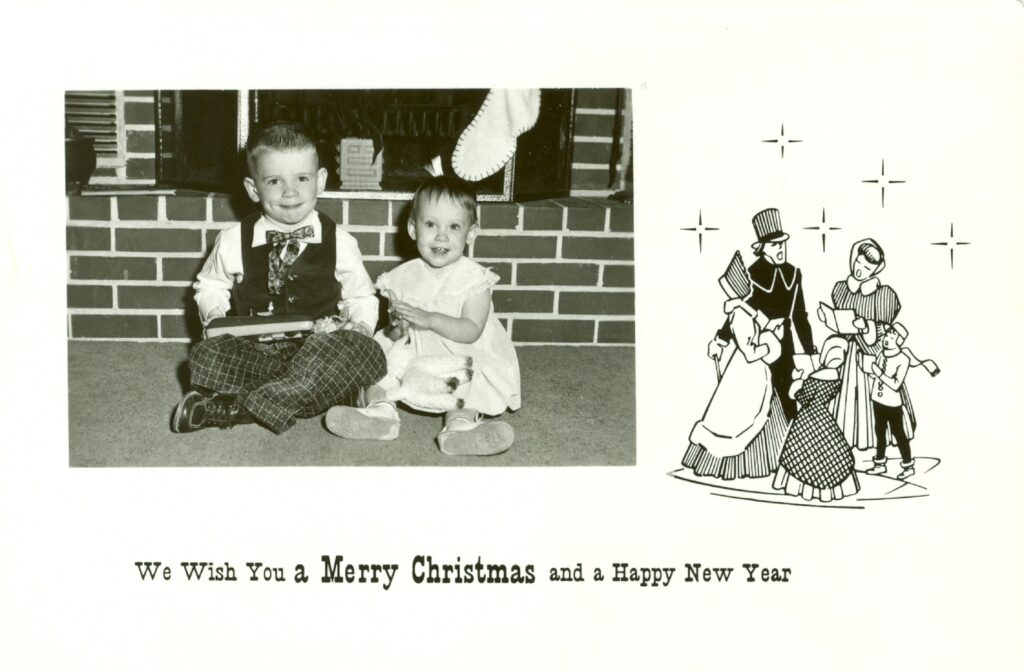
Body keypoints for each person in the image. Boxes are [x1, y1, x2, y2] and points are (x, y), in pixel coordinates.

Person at [171, 122, 387, 434]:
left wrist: (362, 325)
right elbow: (210, 285)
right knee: (205, 356)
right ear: (253, 189)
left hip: (320, 349)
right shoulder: (233, 239)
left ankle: (241, 406)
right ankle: (320, 394)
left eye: (302, 178)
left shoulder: (340, 241)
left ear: (320, 181)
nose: (290, 191)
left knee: (365, 351)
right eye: (274, 181)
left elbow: (361, 296)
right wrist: (215, 317)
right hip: (257, 352)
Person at [325, 177, 521, 456]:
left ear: (471, 233)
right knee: (378, 367)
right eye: (431, 224)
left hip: (457, 351)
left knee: (469, 384)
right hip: (413, 349)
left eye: (454, 227)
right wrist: (398, 326)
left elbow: (471, 330)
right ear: (413, 228)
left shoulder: (475, 280)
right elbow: (396, 331)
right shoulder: (401, 277)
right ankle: (381, 412)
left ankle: (460, 426)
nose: (441, 236)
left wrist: (430, 319)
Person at [683, 251, 789, 479]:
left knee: (752, 415)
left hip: (750, 371)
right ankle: (740, 466)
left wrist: (770, 329)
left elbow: (762, 321)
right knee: (742, 417)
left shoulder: (745, 310)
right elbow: (750, 353)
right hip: (749, 371)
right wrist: (772, 345)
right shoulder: (740, 317)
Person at [708, 208, 815, 422]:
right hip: (757, 343)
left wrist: (810, 350)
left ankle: (790, 439)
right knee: (755, 404)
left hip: (785, 343)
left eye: (782, 243)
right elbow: (738, 311)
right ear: (762, 248)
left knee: (788, 397)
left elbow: (800, 316)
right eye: (774, 245)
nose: (781, 249)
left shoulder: (793, 273)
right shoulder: (751, 274)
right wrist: (720, 340)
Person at [828, 239, 911, 451]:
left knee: (873, 400)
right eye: (858, 262)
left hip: (873, 355)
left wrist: (866, 326)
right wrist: (831, 320)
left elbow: (886, 330)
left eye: (867, 268)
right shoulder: (841, 289)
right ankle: (845, 437)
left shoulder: (885, 295)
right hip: (848, 354)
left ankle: (875, 443)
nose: (859, 269)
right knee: (845, 398)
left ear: (875, 270)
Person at [772, 336, 860, 502]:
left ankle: (803, 487)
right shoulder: (836, 375)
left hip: (809, 416)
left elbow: (804, 398)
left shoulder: (817, 376)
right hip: (823, 417)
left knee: (802, 451)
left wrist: (798, 382)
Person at [861, 323, 937, 480]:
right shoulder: (881, 353)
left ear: (899, 341)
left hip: (892, 403)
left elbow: (896, 384)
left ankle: (908, 465)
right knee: (879, 431)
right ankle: (880, 463)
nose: (886, 339)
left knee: (898, 433)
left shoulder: (903, 359)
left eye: (892, 337)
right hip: (877, 399)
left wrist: (878, 373)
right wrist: (869, 369)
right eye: (887, 335)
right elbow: (877, 374)